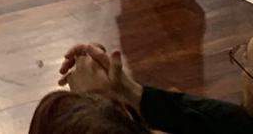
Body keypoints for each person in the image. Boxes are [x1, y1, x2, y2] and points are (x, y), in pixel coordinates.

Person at [54, 40, 253, 132]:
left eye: (247, 65)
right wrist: (128, 90)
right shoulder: (240, 120)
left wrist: (95, 109)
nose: (242, 59)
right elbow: (213, 118)